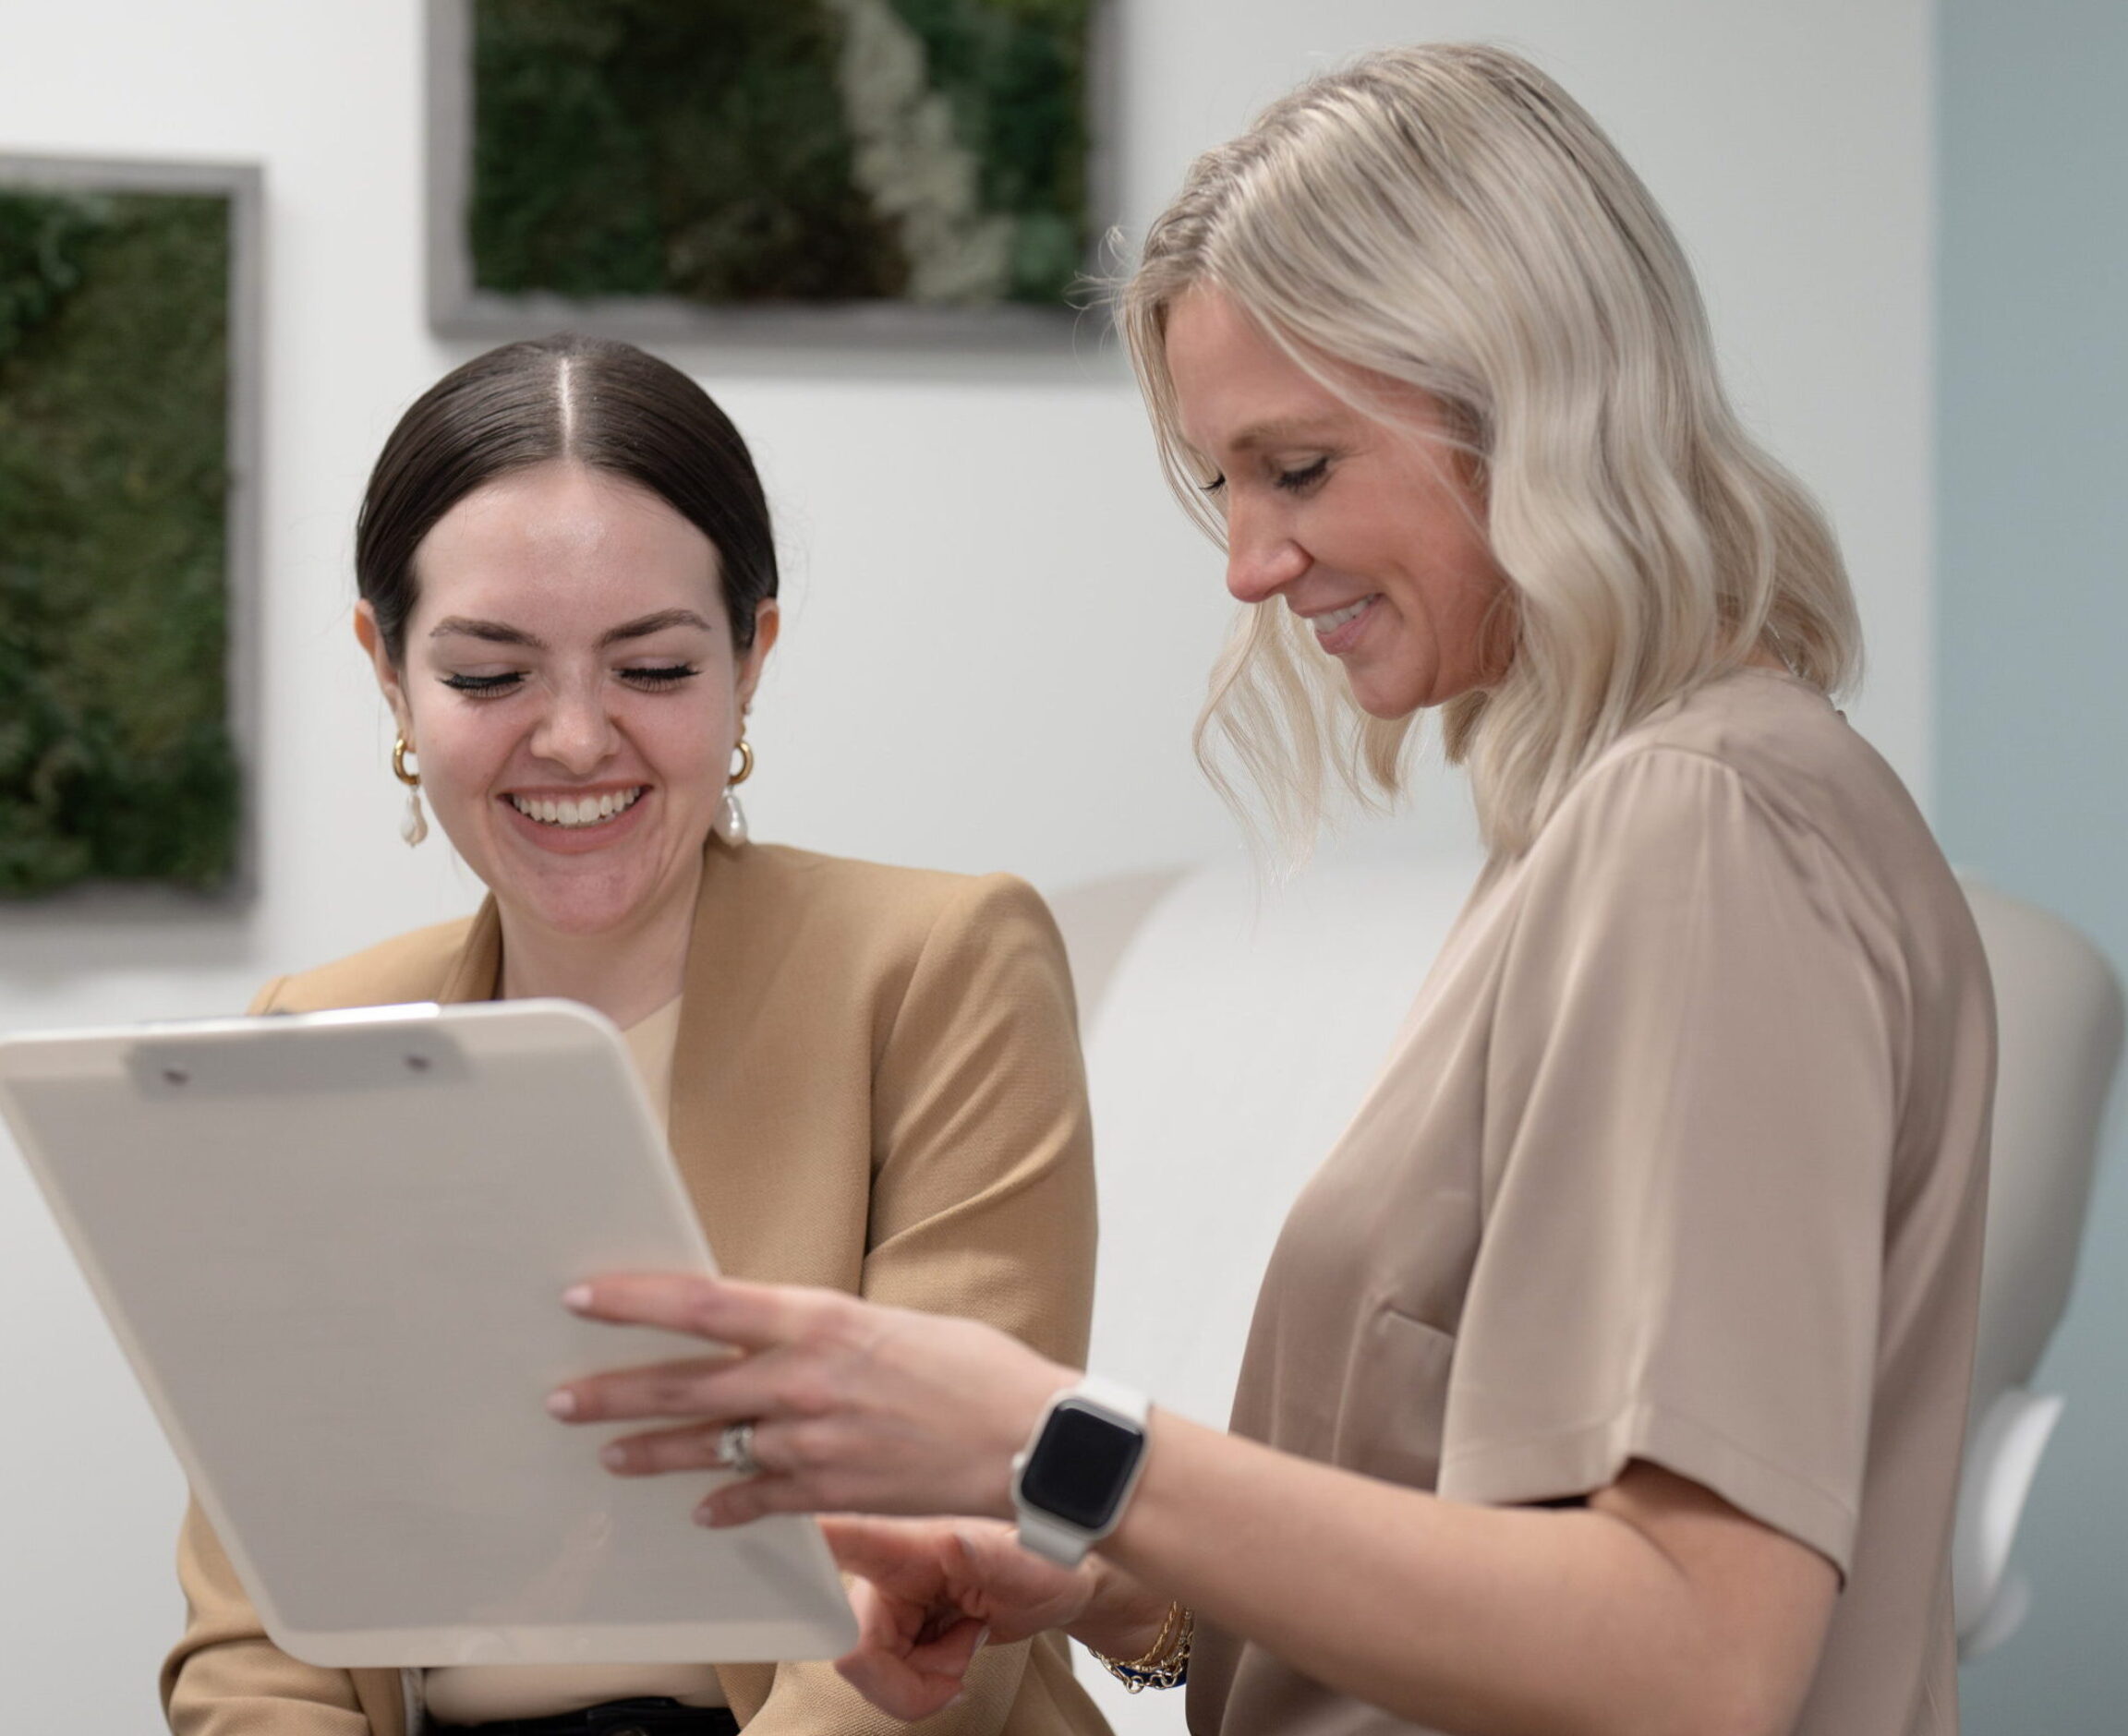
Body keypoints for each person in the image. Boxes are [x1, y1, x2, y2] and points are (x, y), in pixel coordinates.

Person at [541, 44, 1995, 1736]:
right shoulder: (1605, 834)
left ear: (1534, 397)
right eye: (1224, 485)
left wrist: (1049, 1436)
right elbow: (1475, 1570)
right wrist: (1100, 1569)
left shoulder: (1708, 827)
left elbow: (1690, 1655)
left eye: (1298, 470)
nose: (1247, 562)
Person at [159, 335, 1109, 1736]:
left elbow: (926, 1602)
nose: (574, 739)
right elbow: (255, 1645)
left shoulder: (938, 968)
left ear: (751, 656)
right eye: (490, 677)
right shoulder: (317, 1036)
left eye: (653, 667)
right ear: (389, 673)